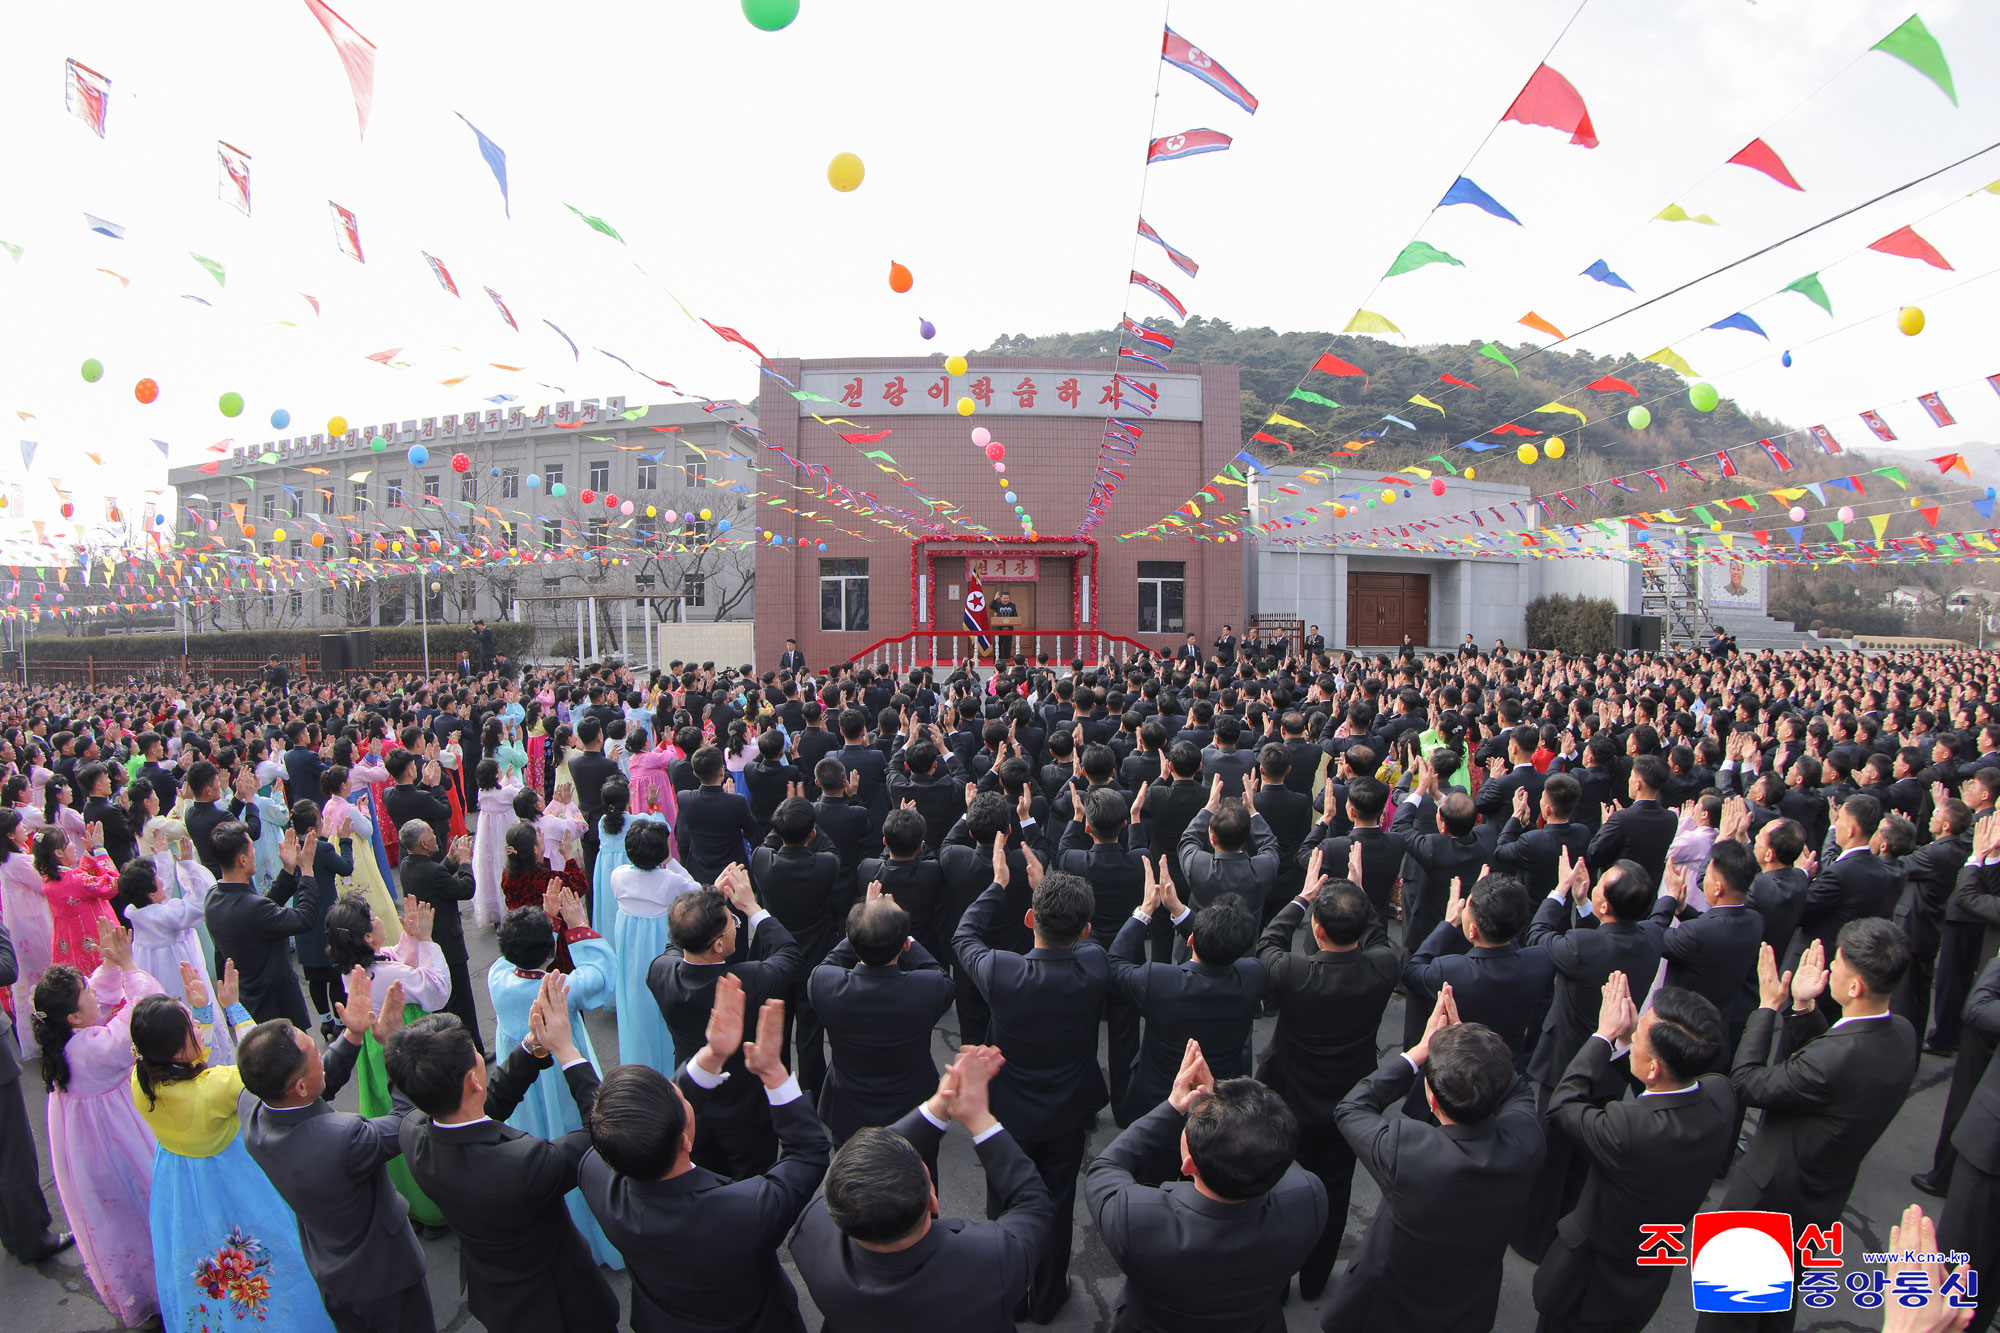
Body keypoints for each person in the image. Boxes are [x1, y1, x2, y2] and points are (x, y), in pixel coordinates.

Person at [580, 974, 831, 1333]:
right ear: (686, 1141)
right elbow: (809, 1153)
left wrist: (712, 1056)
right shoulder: (746, 1209)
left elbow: (655, 1119)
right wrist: (774, 1073)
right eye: (681, 1095)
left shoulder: (595, 1172)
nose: (682, 1087)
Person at [1703, 921, 1920, 1333]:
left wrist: (1768, 1007)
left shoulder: (1836, 1058)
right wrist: (1803, 1009)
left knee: (1725, 1318)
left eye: (1837, 963)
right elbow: (1833, 1071)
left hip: (1767, 1204)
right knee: (1771, 1313)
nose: (1830, 969)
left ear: (1854, 987)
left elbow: (1746, 1082)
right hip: (1819, 1200)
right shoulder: (1901, 1034)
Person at [385, 975, 620, 1333]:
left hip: (496, 1296)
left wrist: (533, 1045)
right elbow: (603, 1133)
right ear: (474, 1080)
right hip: (558, 1306)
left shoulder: (412, 1130)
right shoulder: (522, 1162)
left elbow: (481, 1106)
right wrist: (567, 1051)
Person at [128, 959, 336, 1331]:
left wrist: (202, 1012)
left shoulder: (141, 1079)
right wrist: (233, 1009)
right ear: (176, 1050)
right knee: (273, 1262)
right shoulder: (216, 1087)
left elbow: (185, 1065)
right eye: (190, 1027)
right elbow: (267, 1063)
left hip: (178, 1186)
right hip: (233, 1180)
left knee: (202, 1268)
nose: (196, 1029)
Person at [790, 1044, 1057, 1332]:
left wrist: (939, 1105)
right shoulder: (990, 1261)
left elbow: (861, 1161)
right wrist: (979, 1119)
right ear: (933, 1200)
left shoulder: (814, 1231)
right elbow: (1034, 1204)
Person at [1322, 988, 1545, 1333]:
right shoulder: (1526, 1140)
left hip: (1387, 1303)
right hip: (1468, 1302)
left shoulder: (1406, 1150)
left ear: (1432, 1099)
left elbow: (1352, 1108)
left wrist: (1419, 1052)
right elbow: (1519, 1089)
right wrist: (1473, 1050)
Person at [1532, 975, 1737, 1333]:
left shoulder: (1628, 1128)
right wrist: (1630, 1047)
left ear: (1655, 1067)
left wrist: (1603, 1036)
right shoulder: (1720, 1093)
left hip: (1587, 1285)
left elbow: (1563, 1105)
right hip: (1646, 1274)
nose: (1633, 1036)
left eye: (1639, 1036)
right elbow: (1663, 1093)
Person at [954, 853, 1109, 1323]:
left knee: (1005, 1203)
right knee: (1058, 1203)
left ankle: (1011, 1293)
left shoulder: (1003, 971)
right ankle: (1047, 1296)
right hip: (1065, 1111)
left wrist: (998, 885)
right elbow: (1091, 941)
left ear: (1028, 920)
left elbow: (964, 935)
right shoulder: (1094, 964)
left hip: (1008, 1112)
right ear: (1083, 931)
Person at [236, 968, 434, 1333]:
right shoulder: (344, 1137)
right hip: (386, 1277)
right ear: (297, 1085)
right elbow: (408, 1119)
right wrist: (392, 1044)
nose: (321, 1055)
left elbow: (311, 1089)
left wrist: (353, 1035)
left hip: (329, 1270)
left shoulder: (252, 1108)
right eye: (315, 1054)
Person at [1085, 1040, 1325, 1333]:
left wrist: (1175, 1107)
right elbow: (1276, 1154)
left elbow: (1105, 1169)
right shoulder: (1307, 1199)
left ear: (1189, 1166)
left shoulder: (1136, 1220)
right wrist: (1224, 1113)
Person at [1256, 861, 1400, 1299]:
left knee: (1279, 1189)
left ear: (1317, 929)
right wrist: (1360, 893)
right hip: (1349, 1097)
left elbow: (1268, 941)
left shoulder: (1296, 974)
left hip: (1290, 1095)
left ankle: (1276, 1282)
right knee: (1335, 1193)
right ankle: (1315, 1281)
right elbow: (1378, 937)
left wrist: (1300, 898)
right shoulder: (1383, 968)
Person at [29, 920, 161, 1324]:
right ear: (72, 1016)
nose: (93, 991)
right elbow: (145, 1016)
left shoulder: (66, 1045)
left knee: (116, 1221)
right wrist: (130, 966)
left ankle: (138, 1293)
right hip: (117, 1143)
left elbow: (99, 1001)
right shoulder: (95, 1052)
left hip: (88, 1153)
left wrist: (107, 964)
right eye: (84, 990)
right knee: (145, 1206)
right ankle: (164, 1287)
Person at [487, 891, 624, 1269]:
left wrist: (543, 922)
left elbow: (513, 952)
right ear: (549, 951)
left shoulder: (497, 975)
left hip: (521, 1075)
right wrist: (576, 925)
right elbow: (600, 975)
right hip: (559, 1075)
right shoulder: (559, 990)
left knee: (535, 1138)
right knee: (574, 1137)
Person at [649, 866, 804, 1178]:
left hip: (694, 1100)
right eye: (732, 924)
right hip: (746, 1110)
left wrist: (709, 901)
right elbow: (789, 953)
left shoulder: (660, 971)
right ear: (718, 946)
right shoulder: (745, 979)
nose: (736, 925)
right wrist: (751, 908)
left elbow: (676, 942)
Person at [321, 892, 451, 1234]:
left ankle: (411, 1204)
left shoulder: (357, 970)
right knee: (418, 1117)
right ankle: (436, 1208)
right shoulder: (389, 974)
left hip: (373, 1052)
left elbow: (395, 957)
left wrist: (410, 936)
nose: (380, 918)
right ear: (366, 936)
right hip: (401, 1044)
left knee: (388, 1115)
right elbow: (436, 990)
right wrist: (426, 940)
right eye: (373, 918)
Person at [1105, 858, 1265, 1127]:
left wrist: (1146, 910)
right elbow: (1223, 943)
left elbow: (1115, 963)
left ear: (1190, 940)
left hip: (1159, 1097)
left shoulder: (1159, 979)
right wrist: (1178, 909)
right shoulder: (1253, 975)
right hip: (1219, 1100)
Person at [809, 886, 957, 1170]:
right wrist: (902, 933)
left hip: (847, 1110)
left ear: (852, 942)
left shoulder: (825, 984)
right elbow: (940, 973)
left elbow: (830, 962)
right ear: (904, 946)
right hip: (913, 1111)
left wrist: (865, 922)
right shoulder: (927, 989)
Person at [204, 820, 324, 1030]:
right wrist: (306, 871)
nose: (254, 854)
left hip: (249, 1002)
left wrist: (288, 870)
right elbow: (304, 918)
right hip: (276, 1007)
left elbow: (262, 915)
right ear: (242, 859)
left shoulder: (213, 897)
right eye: (252, 849)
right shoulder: (252, 908)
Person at [609, 818, 699, 1074]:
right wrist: (670, 861)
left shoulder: (618, 876)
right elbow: (695, 889)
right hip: (661, 948)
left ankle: (637, 1069)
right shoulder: (671, 881)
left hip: (629, 952)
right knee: (665, 1009)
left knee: (635, 1008)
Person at [394, 821, 482, 1055]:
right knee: (461, 1003)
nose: (436, 837)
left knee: (444, 1004)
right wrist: (463, 861)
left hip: (429, 944)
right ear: (424, 842)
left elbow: (438, 879)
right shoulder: (432, 872)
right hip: (448, 945)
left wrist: (450, 860)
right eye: (432, 833)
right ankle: (473, 1053)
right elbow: (465, 889)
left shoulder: (407, 864)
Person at [31, 823, 119, 973]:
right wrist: (100, 850)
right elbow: (112, 885)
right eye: (68, 842)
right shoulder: (75, 881)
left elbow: (81, 880)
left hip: (72, 945)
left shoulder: (50, 879)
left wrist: (90, 852)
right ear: (59, 852)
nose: (72, 845)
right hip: (94, 942)